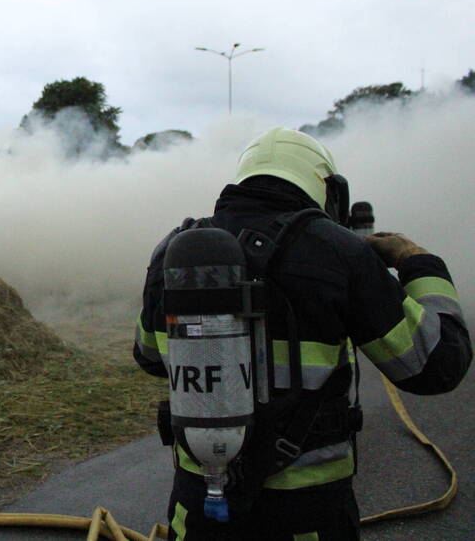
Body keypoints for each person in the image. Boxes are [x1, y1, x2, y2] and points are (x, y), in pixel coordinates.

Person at [134, 127, 471, 540]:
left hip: (198, 506)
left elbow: (149, 356)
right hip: (307, 514)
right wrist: (421, 264)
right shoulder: (343, 251)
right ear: (328, 190)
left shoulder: (175, 249)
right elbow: (437, 365)